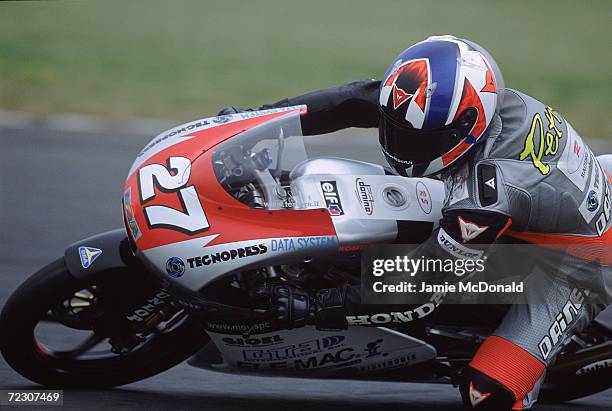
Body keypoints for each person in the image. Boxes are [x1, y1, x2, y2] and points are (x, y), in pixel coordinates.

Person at [219, 35, 610, 410]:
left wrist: (314, 306)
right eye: (396, 130)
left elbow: (419, 288)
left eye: (419, 141)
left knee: (485, 392)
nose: (403, 148)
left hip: (575, 265)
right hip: (547, 206)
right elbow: (352, 100)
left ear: (466, 127)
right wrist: (255, 122)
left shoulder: (486, 197)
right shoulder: (453, 102)